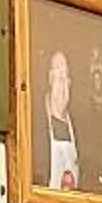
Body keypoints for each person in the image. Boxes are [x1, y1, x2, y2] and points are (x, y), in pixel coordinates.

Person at [39, 47, 81, 190]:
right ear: (49, 79)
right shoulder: (36, 123)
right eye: (58, 75)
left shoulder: (79, 128)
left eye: (65, 76)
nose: (62, 84)